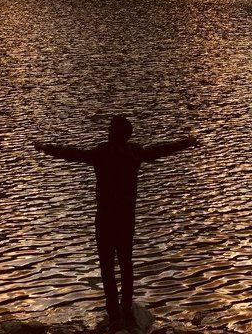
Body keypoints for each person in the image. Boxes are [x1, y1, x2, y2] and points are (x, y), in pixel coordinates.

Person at [35, 115, 198, 332]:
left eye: (110, 128)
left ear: (113, 134)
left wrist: (46, 148)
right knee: (126, 261)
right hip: (126, 217)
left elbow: (72, 154)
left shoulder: (102, 154)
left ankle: (113, 312)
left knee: (107, 265)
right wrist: (187, 142)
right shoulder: (134, 153)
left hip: (105, 217)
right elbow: (161, 149)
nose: (107, 131)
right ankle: (127, 307)